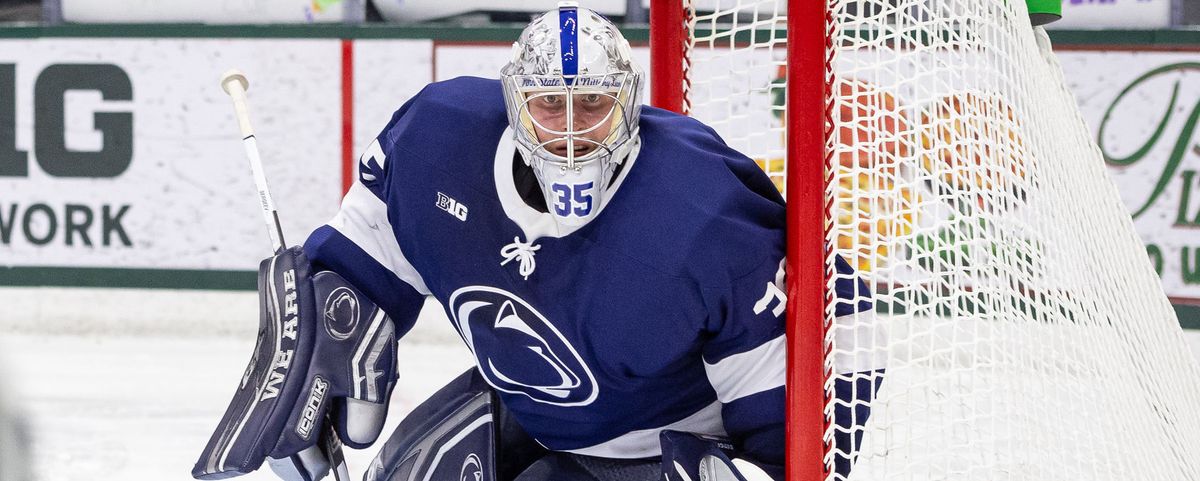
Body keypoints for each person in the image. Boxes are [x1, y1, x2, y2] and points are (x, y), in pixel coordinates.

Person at [193, 3, 878, 481]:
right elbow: (361, 269)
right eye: (551, 103)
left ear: (630, 104)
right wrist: (316, 344)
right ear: (514, 101)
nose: (573, 130)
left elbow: (835, 330)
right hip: (524, 413)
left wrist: (761, 468)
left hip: (664, 452)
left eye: (594, 104)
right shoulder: (439, 140)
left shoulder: (700, 209)